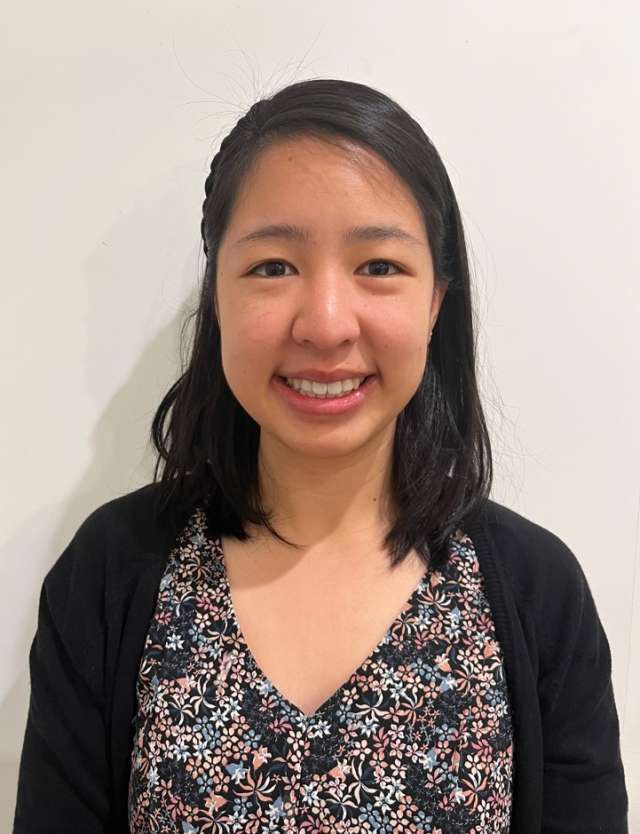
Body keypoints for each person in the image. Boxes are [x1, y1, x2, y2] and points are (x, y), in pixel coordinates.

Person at [12, 78, 628, 833]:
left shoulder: (538, 593)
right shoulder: (111, 572)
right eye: (273, 266)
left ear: (436, 301)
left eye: (379, 266)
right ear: (218, 296)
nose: (327, 325)